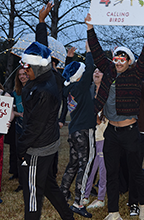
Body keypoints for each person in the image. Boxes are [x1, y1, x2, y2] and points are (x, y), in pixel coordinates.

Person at [86, 13, 144, 220]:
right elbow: (98, 52)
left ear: (129, 62)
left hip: (130, 131)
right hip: (111, 132)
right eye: (116, 58)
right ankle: (113, 212)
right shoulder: (108, 71)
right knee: (112, 172)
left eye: (122, 59)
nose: (118, 62)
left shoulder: (136, 74)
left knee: (135, 171)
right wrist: (90, 28)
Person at [18, 42, 74, 220]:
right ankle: (68, 216)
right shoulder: (47, 76)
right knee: (48, 184)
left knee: (32, 193)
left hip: (38, 147)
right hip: (46, 141)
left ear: (37, 66)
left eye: (27, 67)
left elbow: (35, 127)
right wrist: (41, 23)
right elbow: (41, 51)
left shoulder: (44, 91)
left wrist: (21, 148)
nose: (25, 71)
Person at [60, 40, 96, 218]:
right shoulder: (81, 86)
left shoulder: (70, 88)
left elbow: (69, 74)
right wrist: (89, 52)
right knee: (86, 164)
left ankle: (62, 193)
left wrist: (69, 60)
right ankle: (78, 202)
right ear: (80, 76)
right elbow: (89, 69)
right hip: (84, 130)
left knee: (73, 164)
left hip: (74, 130)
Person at [83, 68, 107, 209]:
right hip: (91, 135)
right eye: (95, 71)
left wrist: (99, 121)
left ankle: (101, 198)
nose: (97, 73)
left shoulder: (107, 94)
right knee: (90, 167)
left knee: (102, 168)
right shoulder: (89, 92)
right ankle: (85, 196)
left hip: (103, 135)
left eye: (100, 71)